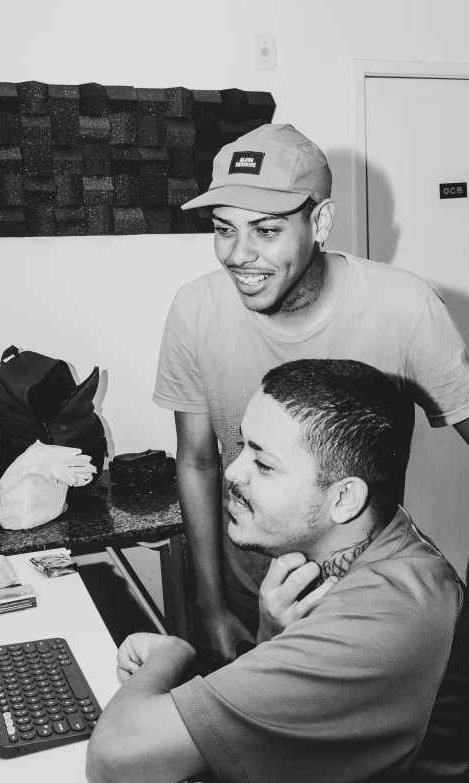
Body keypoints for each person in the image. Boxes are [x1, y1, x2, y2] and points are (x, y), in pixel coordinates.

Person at [152, 123, 469, 662]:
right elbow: (199, 461)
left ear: (320, 222)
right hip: (248, 598)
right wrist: (210, 605)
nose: (238, 254)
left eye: (267, 230)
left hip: (368, 608)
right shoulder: (195, 310)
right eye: (224, 228)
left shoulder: (405, 308)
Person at [86, 360, 469, 783]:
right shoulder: (381, 540)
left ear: (345, 499)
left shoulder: (384, 618)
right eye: (241, 445)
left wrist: (173, 654)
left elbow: (115, 759)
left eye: (264, 464)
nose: (232, 471)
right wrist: (272, 635)